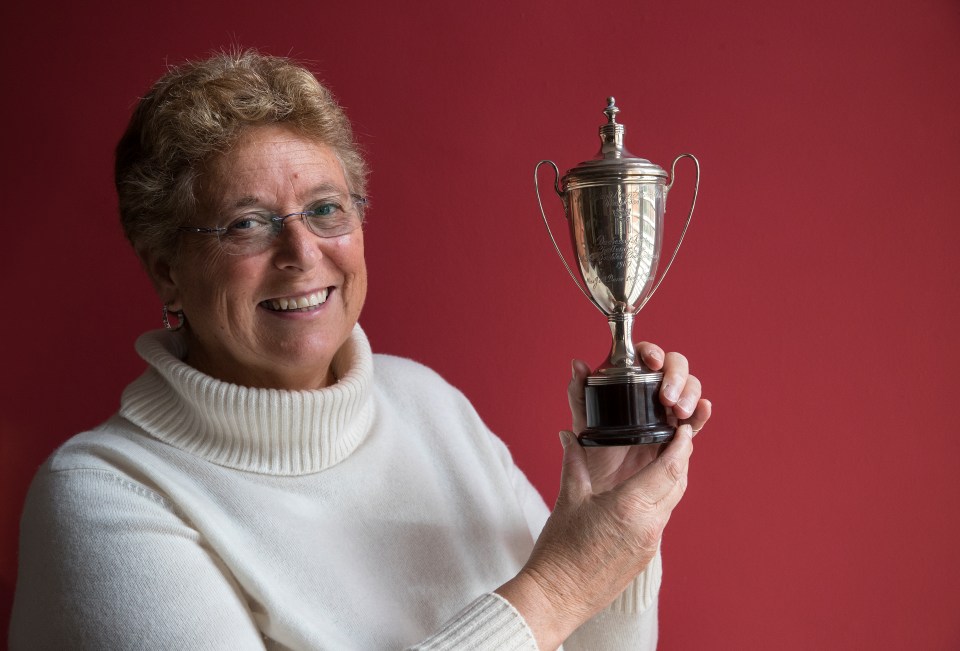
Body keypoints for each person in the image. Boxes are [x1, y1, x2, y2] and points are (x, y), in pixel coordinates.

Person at [9, 50, 711, 650]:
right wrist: (557, 585)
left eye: (325, 209)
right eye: (248, 222)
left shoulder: (426, 402)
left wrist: (619, 523)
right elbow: (551, 603)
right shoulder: (101, 497)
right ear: (166, 267)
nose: (301, 253)